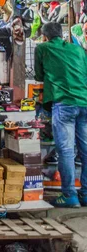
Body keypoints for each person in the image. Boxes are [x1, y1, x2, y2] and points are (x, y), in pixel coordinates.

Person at [35, 22, 87, 207]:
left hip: (64, 102)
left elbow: (39, 76)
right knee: (85, 150)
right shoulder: (78, 50)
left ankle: (69, 195)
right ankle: (86, 195)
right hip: (84, 101)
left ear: (44, 36)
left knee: (65, 151)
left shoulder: (43, 48)